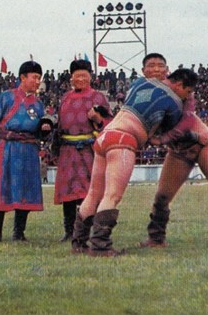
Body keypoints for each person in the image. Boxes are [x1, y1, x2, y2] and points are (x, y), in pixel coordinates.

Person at [75, 68, 200, 256]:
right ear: (180, 85)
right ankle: (100, 245)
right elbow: (170, 132)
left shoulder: (140, 83)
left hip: (105, 136)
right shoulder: (174, 102)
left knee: (93, 194)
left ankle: (78, 243)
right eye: (188, 92)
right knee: (112, 195)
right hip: (123, 140)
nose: (186, 96)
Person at [135, 53, 208, 250]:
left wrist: (162, 139)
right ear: (143, 71)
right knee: (161, 197)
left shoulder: (181, 89)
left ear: (167, 70)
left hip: (202, 145)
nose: (156, 69)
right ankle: (156, 239)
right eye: (151, 66)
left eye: (160, 65)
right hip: (178, 151)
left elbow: (186, 121)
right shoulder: (140, 93)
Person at [0, 60, 52, 243]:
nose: (38, 82)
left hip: (29, 150)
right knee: (2, 189)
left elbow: (39, 131)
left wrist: (45, 128)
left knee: (25, 190)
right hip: (7, 149)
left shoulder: (38, 104)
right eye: (34, 77)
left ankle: (18, 233)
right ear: (23, 77)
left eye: (39, 78)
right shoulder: (6, 97)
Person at [53, 59, 112, 241]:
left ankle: (86, 230)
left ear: (90, 77)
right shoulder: (65, 98)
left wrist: (97, 119)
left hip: (89, 150)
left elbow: (109, 123)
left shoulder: (98, 98)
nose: (80, 79)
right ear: (71, 78)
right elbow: (59, 126)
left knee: (90, 192)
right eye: (77, 76)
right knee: (68, 194)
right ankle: (69, 231)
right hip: (68, 151)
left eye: (84, 75)